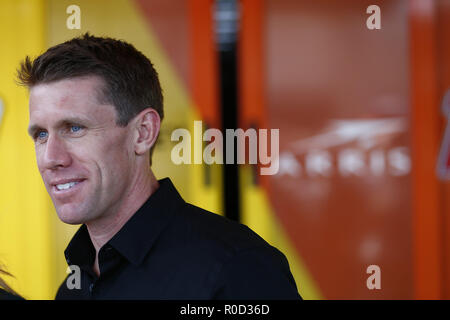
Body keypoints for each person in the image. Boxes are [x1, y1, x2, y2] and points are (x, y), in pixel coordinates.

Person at [17, 33, 301, 300]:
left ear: (143, 132)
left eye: (74, 128)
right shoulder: (73, 287)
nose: (51, 158)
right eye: (40, 134)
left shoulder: (237, 268)